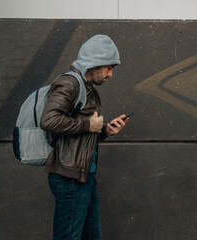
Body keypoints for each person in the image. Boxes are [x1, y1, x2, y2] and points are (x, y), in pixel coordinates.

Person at [40, 34, 129, 240]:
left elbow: (78, 139)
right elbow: (49, 120)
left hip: (85, 177)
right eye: (109, 67)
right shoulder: (70, 83)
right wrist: (89, 124)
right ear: (94, 62)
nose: (110, 74)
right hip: (69, 178)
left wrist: (105, 131)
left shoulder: (87, 89)